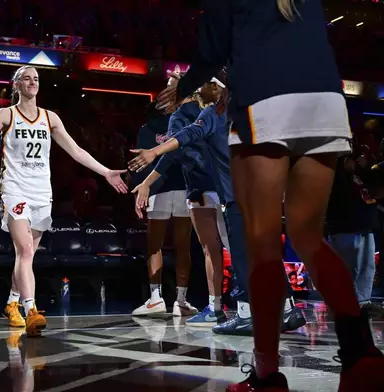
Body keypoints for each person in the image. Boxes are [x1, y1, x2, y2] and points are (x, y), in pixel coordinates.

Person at [153, 0, 384, 390]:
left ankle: (266, 374)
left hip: (266, 98)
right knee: (308, 236)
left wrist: (185, 86)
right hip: (326, 99)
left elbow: (211, 52)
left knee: (262, 243)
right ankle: (361, 354)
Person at [0, 65, 127, 336]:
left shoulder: (49, 118)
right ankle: (31, 310)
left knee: (27, 255)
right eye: (27, 78)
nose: (32, 82)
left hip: (42, 192)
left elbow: (76, 150)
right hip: (14, 188)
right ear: (16, 85)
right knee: (25, 251)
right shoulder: (6, 114)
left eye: (36, 79)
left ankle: (11, 303)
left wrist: (106, 172)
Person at [130, 71, 306, 335]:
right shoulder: (248, 112)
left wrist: (154, 151)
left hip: (235, 197)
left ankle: (245, 314)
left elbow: (187, 136)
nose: (200, 89)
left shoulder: (213, 114)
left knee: (240, 256)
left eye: (203, 84)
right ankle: (290, 309)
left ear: (215, 87)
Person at [130, 93, 200, 318]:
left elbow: (141, 162)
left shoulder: (148, 128)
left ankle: (155, 299)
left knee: (155, 246)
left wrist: (142, 187)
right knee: (182, 247)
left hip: (157, 188)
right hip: (181, 187)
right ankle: (180, 301)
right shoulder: (186, 122)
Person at [327, 154, 384, 318]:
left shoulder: (360, 175)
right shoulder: (336, 177)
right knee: (347, 268)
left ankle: (362, 302)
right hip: (345, 228)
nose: (355, 162)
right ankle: (343, 302)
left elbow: (375, 191)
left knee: (366, 267)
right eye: (352, 159)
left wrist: (364, 167)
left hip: (364, 227)